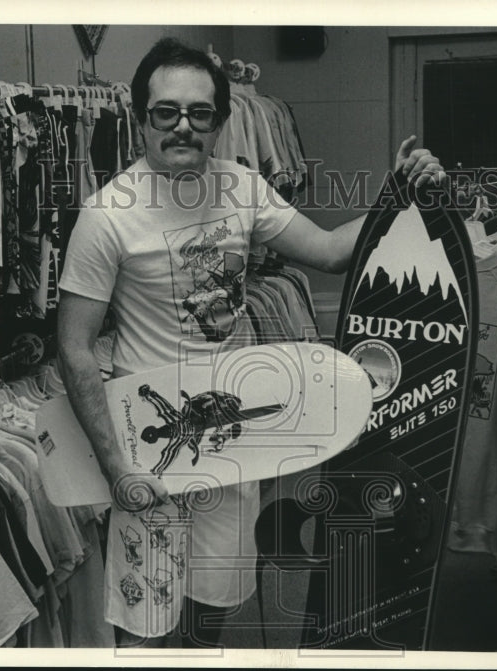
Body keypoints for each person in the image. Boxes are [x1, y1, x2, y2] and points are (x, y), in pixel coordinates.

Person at [57, 37, 445, 648]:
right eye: (166, 111)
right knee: (146, 625)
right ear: (141, 119)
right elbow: (75, 348)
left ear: (219, 121)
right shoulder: (107, 214)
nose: (183, 126)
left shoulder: (242, 187)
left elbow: (328, 252)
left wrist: (398, 191)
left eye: (200, 112)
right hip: (144, 447)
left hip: (232, 439)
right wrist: (116, 465)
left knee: (213, 613)